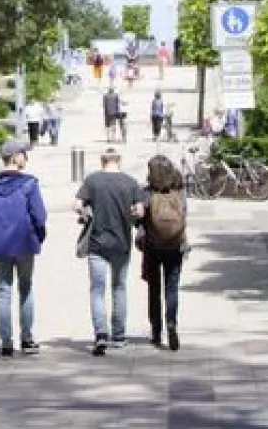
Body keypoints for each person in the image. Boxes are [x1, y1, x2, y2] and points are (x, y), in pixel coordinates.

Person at [0, 138, 47, 357]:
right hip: (24, 243)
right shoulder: (29, 184)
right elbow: (39, 216)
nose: (26, 157)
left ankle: (6, 342)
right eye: (23, 153)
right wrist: (38, 238)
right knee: (26, 288)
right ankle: (27, 339)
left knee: (3, 291)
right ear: (15, 157)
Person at [74, 147, 146, 356]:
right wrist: (132, 213)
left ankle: (100, 334)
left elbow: (77, 204)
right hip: (121, 243)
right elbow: (140, 211)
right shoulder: (131, 182)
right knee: (119, 288)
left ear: (102, 161)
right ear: (119, 161)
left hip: (97, 243)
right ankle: (119, 335)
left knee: (97, 290)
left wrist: (86, 211)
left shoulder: (92, 181)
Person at [141, 154, 190, 350]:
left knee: (154, 289)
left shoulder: (146, 192)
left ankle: (156, 330)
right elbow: (185, 214)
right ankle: (172, 323)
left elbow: (139, 217)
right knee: (172, 288)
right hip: (175, 245)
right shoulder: (179, 191)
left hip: (152, 246)